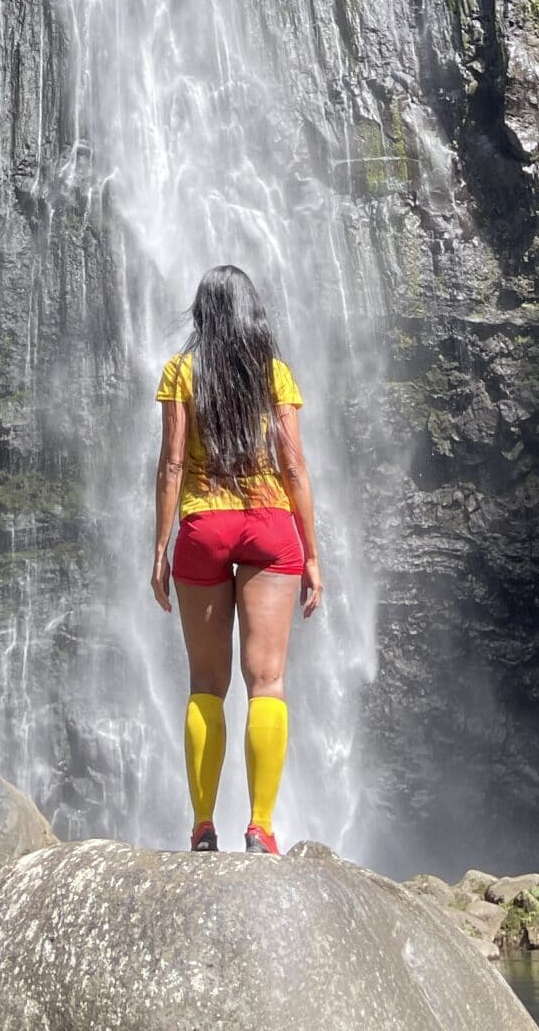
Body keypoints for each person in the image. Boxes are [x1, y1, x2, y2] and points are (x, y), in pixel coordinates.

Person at [151, 264, 323, 855]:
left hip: (203, 526)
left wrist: (159, 548)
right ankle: (261, 826)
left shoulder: (182, 372)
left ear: (204, 315)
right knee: (267, 682)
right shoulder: (274, 375)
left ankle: (202, 827)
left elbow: (172, 464)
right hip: (269, 525)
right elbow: (294, 466)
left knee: (205, 682)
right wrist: (315, 558)